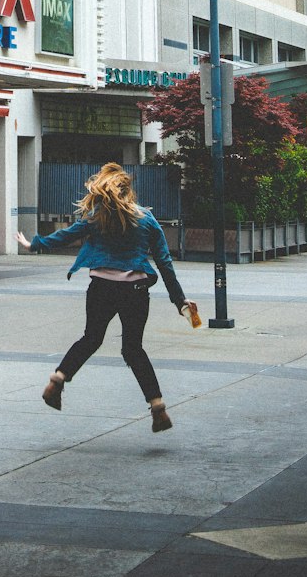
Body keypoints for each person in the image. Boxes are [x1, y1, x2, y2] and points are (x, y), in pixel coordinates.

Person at [17, 162, 198, 432]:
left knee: (91, 338)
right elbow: (164, 261)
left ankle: (58, 379)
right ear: (128, 189)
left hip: (101, 287)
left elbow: (67, 235)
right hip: (134, 291)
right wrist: (178, 299)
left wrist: (35, 244)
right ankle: (158, 407)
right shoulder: (146, 219)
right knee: (133, 349)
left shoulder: (96, 216)